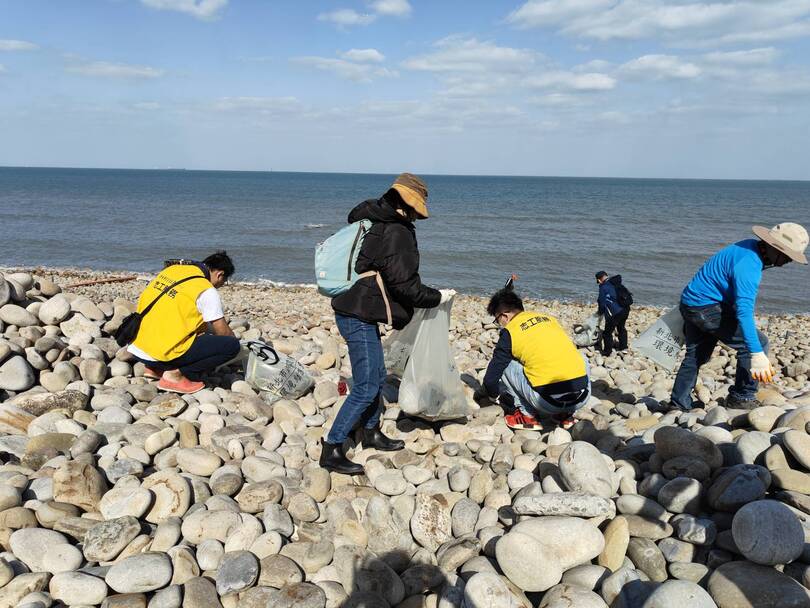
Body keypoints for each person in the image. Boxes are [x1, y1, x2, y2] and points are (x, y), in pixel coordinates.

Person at [322, 173, 455, 475]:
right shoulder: (396, 231)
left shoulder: (374, 219)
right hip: (358, 314)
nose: (417, 218)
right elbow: (405, 285)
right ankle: (332, 446)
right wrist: (437, 297)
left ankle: (370, 432)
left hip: (356, 308)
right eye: (416, 210)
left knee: (377, 376)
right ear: (406, 205)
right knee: (367, 386)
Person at [670, 223, 808, 411]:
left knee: (695, 355)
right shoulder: (750, 265)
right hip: (706, 308)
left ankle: (678, 404)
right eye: (787, 256)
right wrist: (756, 353)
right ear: (774, 248)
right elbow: (744, 311)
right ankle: (742, 397)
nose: (789, 261)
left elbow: (727, 284)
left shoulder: (749, 245)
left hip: (691, 302)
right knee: (758, 344)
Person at [474, 287, 591, 431]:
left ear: (504, 316)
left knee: (506, 364)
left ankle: (527, 415)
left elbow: (491, 379)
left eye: (497, 320)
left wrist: (494, 397)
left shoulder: (510, 331)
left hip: (547, 402)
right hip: (581, 398)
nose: (500, 325)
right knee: (580, 357)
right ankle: (565, 415)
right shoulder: (549, 319)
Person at [128, 251, 240, 395]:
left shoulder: (173, 270)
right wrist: (238, 346)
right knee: (231, 346)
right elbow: (222, 331)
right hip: (160, 355)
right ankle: (174, 375)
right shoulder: (206, 289)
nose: (220, 285)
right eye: (224, 282)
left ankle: (154, 369)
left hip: (138, 347)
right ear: (220, 274)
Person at [595, 271, 631, 356]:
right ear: (607, 276)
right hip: (625, 309)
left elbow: (602, 302)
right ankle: (624, 348)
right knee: (621, 328)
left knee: (607, 333)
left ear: (599, 280)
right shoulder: (615, 283)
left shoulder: (603, 287)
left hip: (614, 313)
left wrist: (600, 313)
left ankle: (607, 352)